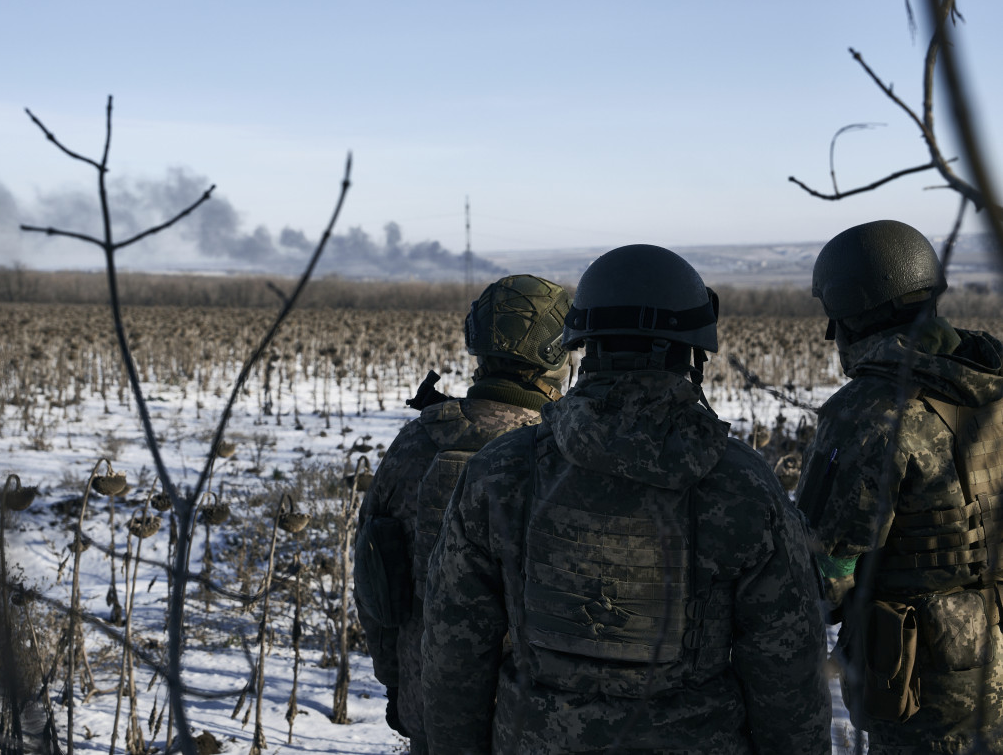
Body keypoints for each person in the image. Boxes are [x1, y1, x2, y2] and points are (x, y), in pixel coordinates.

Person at [422, 244, 832, 754]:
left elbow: (454, 654)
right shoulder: (742, 483)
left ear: (581, 343)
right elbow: (787, 672)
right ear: (693, 350)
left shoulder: (500, 471)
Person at [796, 219, 1003, 753]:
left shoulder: (869, 411)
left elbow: (822, 568)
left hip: (929, 683)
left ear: (847, 311)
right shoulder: (993, 383)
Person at [354, 274, 573, 754]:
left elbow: (374, 583)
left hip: (429, 712)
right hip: (539, 726)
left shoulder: (416, 442)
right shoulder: (564, 453)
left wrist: (398, 685)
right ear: (556, 356)